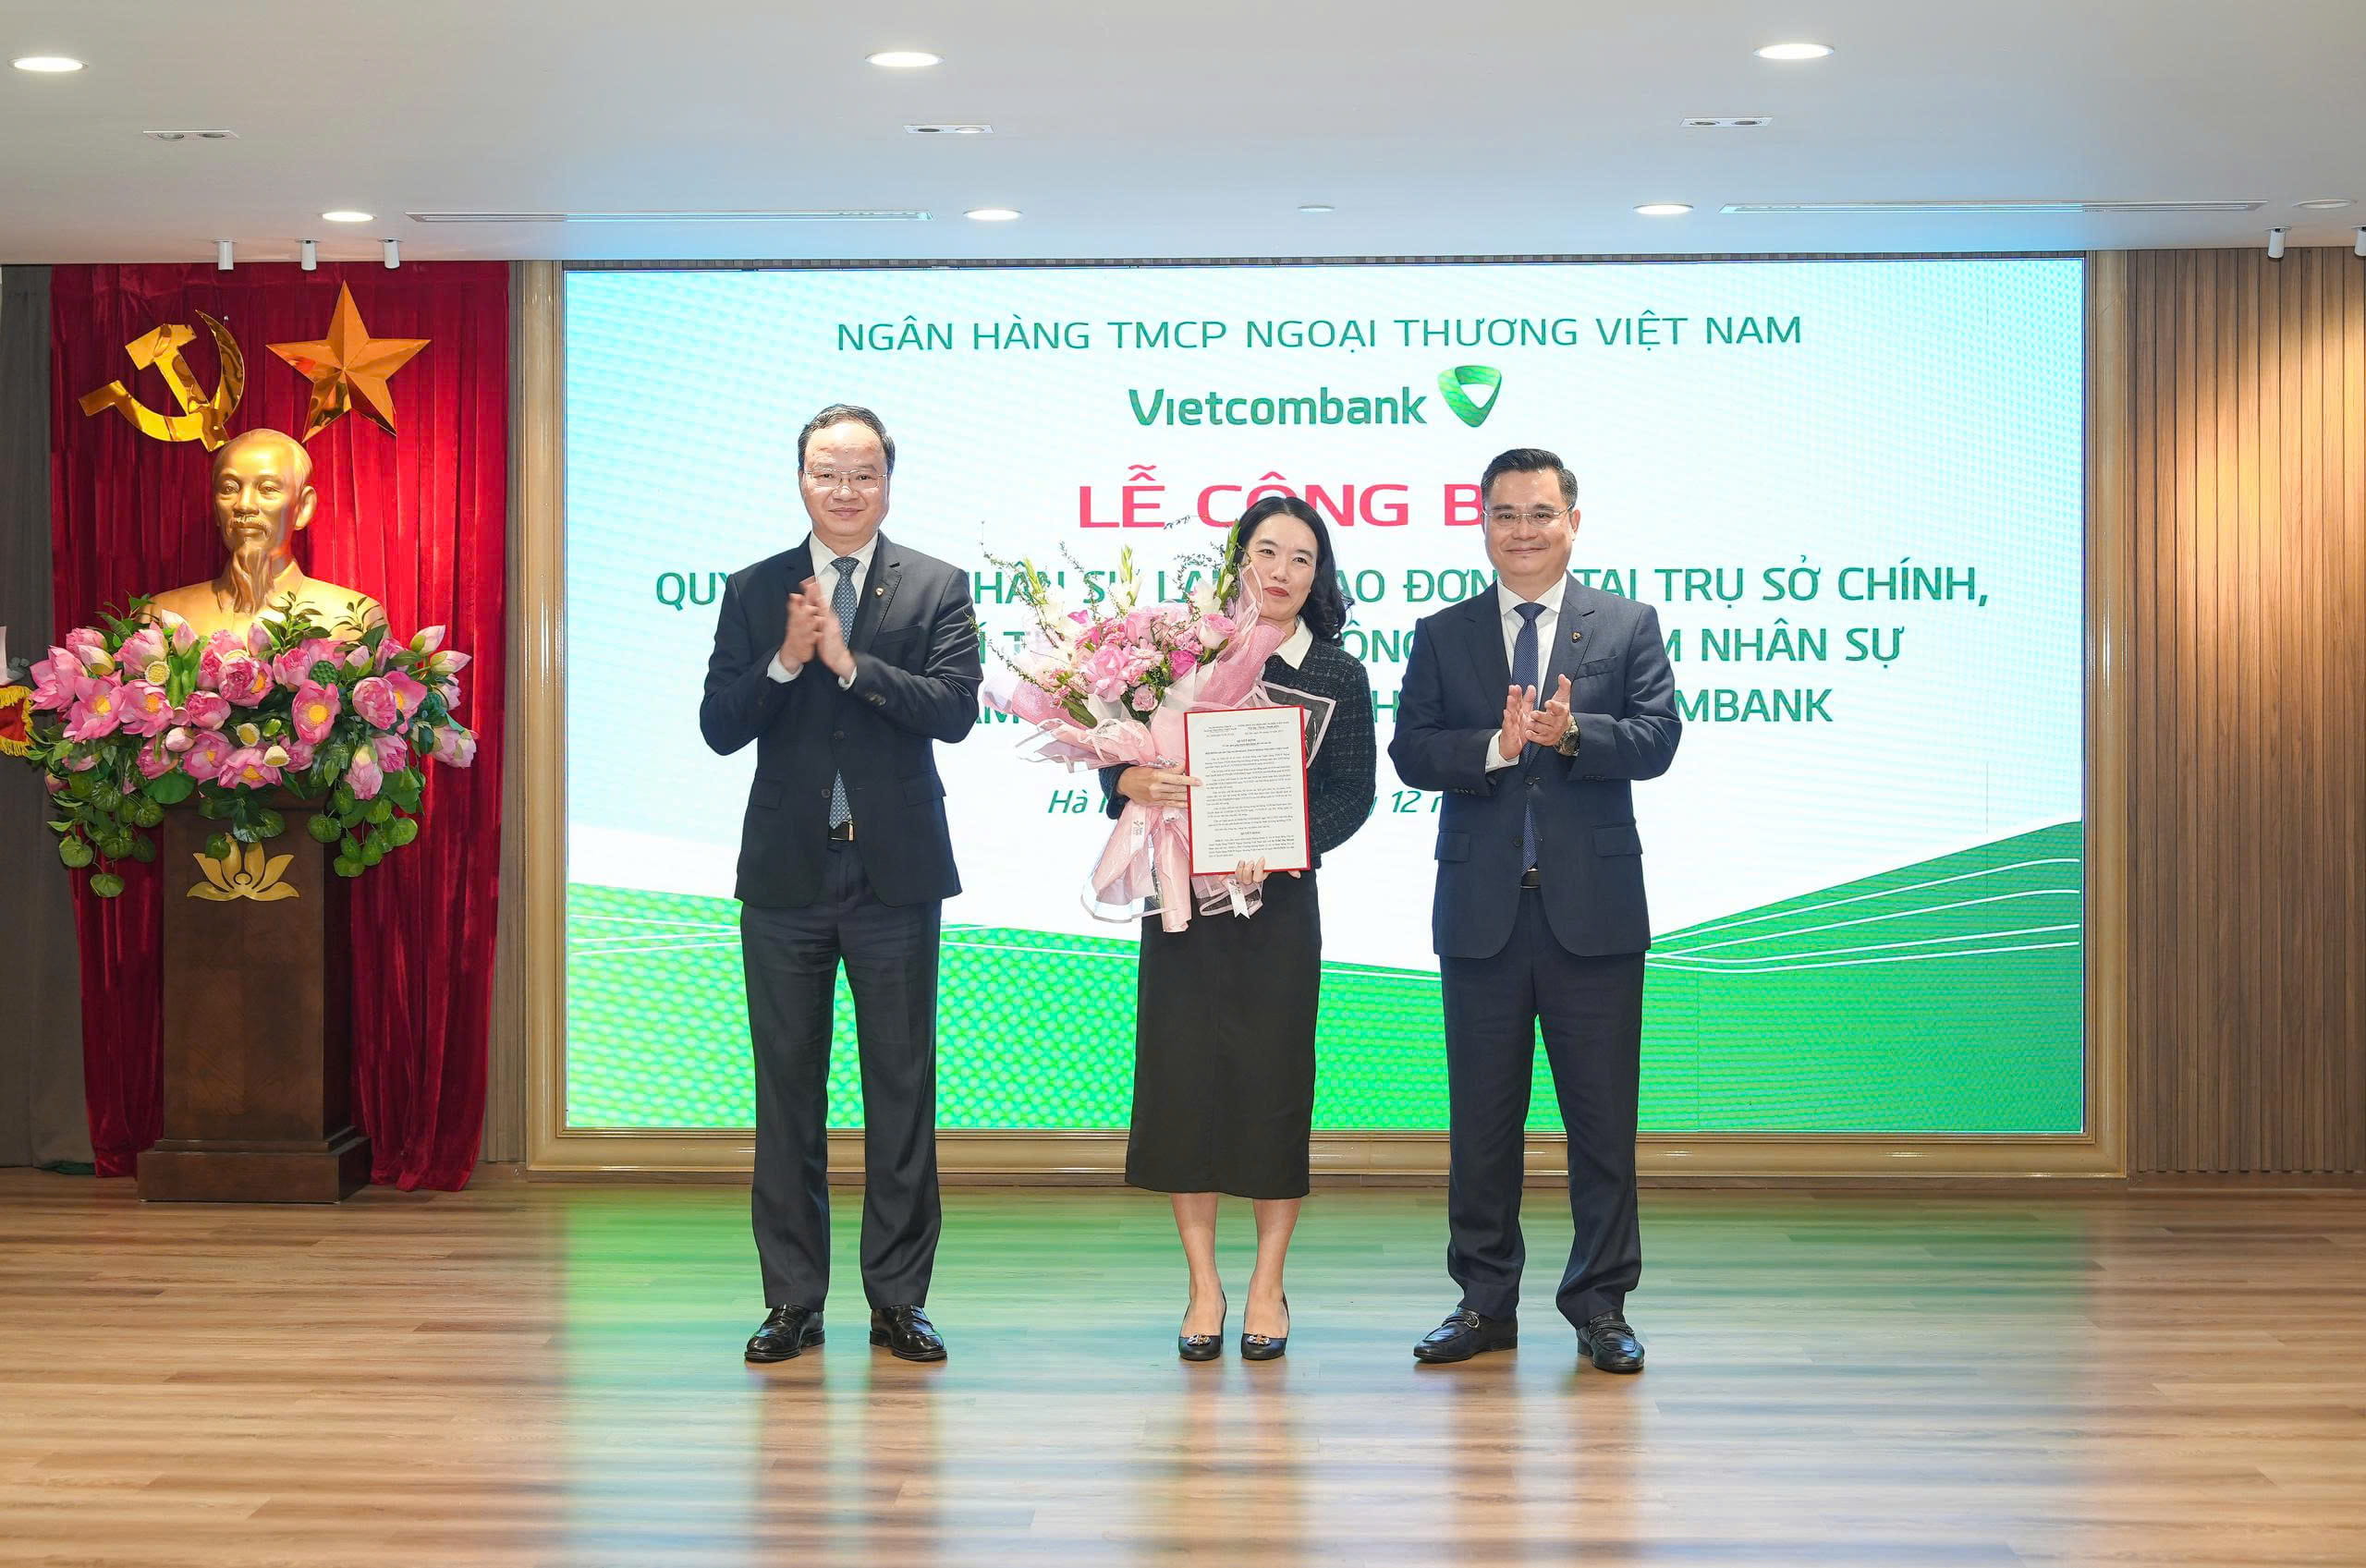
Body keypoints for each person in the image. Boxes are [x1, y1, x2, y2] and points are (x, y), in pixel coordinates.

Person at [699, 403, 982, 1366]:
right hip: (787, 876)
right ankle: (792, 1300)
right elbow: (719, 723)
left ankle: (899, 1301)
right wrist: (785, 662)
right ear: (801, 480)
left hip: (892, 874)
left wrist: (851, 665)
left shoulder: (937, 584)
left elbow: (954, 711)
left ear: (888, 482)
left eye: (864, 472)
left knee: (901, 1089)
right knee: (787, 1092)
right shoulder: (754, 589)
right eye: (828, 471)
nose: (846, 489)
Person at [1388, 447, 1680, 1374]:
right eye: (1505, 513)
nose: (1523, 529)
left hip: (1595, 916)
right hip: (1482, 915)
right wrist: (1495, 746)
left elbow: (1658, 736)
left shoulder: (1626, 623)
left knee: (1602, 1125)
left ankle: (1601, 1305)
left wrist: (1575, 732)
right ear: (1483, 523)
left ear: (1572, 523)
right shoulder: (1443, 632)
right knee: (1481, 1125)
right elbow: (1410, 750)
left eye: (1540, 512)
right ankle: (1484, 1302)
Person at [1105, 495, 1377, 1361]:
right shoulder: (1181, 655)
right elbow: (1122, 759)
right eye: (1266, 551)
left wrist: (1289, 844)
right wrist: (1127, 784)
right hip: (1181, 899)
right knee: (1182, 1088)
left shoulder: (1337, 672)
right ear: (1237, 559)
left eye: (1302, 557)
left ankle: (1266, 1281)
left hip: (1279, 910)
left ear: (1319, 574)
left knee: (1272, 1087)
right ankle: (1202, 1284)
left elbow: (1353, 792)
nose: (1281, 571)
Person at [147, 428, 384, 639]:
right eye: (229, 488)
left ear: (303, 507)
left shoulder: (355, 621)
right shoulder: (161, 615)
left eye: (267, 488)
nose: (244, 505)